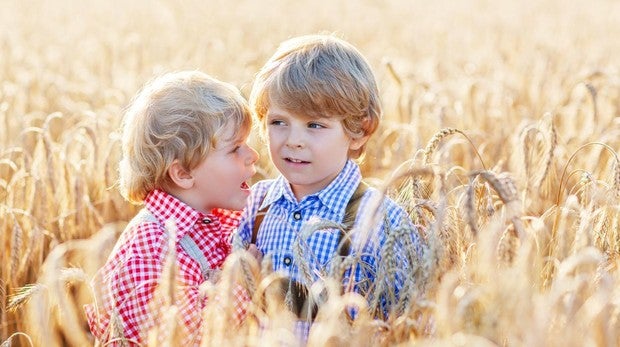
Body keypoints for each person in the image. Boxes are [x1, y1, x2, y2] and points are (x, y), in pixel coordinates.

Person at [234, 34, 423, 337]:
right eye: (278, 122)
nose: (293, 140)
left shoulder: (379, 219)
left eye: (315, 125)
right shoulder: (254, 204)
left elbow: (406, 324)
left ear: (359, 132)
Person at [84, 70, 259, 346]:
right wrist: (240, 284)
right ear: (183, 173)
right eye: (235, 148)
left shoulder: (215, 219)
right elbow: (185, 341)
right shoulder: (154, 253)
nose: (253, 155)